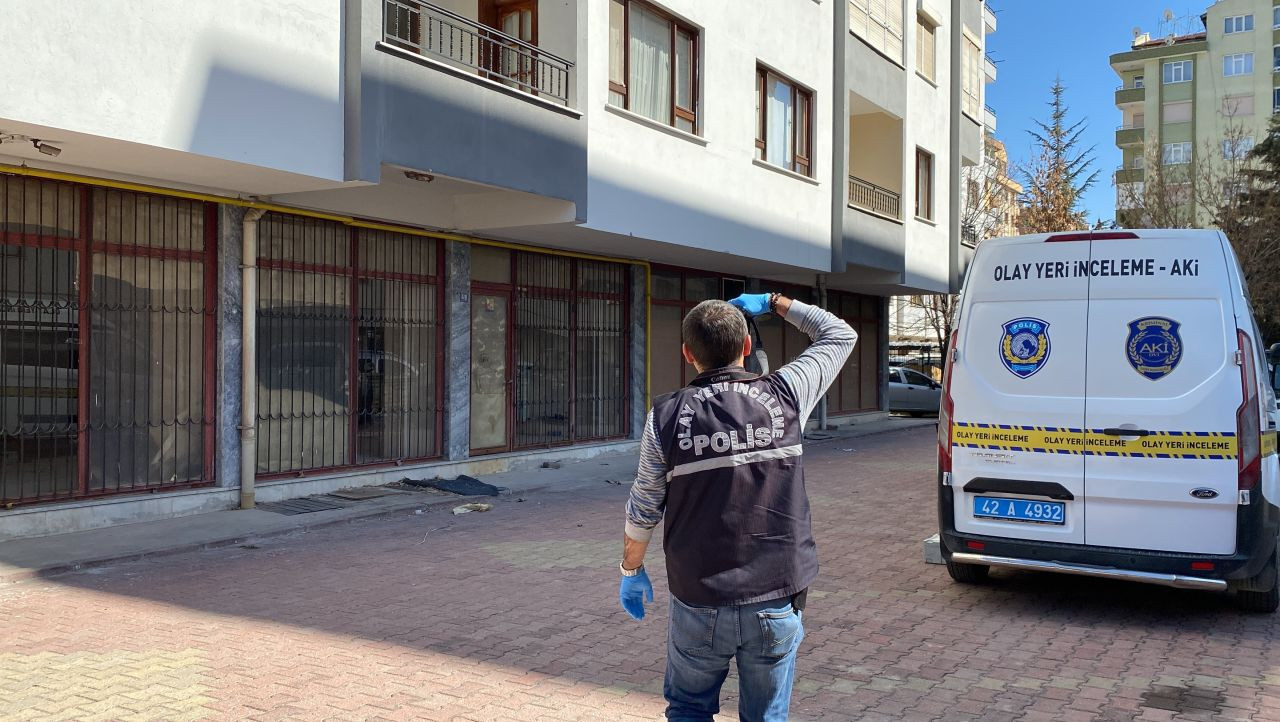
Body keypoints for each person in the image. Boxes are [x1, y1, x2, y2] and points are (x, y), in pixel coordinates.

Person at [618, 292, 857, 721]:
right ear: (747, 346)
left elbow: (644, 507)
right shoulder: (788, 394)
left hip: (698, 599)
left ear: (688, 354)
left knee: (689, 709)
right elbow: (839, 334)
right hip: (776, 594)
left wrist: (630, 571)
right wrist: (775, 302)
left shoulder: (665, 418)